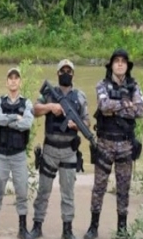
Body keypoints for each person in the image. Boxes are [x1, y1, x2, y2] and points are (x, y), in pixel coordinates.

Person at [84, 49, 143, 239]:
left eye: (123, 61)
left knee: (124, 188)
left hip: (126, 145)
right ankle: (93, 227)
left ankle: (122, 228)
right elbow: (103, 106)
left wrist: (116, 107)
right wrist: (126, 105)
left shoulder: (134, 86)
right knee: (99, 187)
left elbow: (141, 109)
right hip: (105, 144)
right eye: (116, 61)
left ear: (127, 66)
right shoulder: (102, 84)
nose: (120, 64)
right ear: (111, 65)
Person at [29, 59, 90, 239]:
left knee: (68, 193)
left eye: (69, 71)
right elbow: (34, 110)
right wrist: (50, 107)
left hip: (69, 152)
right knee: (43, 191)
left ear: (73, 74)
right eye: (62, 70)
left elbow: (86, 122)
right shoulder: (50, 94)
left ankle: (67, 229)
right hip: (49, 151)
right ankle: (37, 226)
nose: (66, 73)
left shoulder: (80, 96)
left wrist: (76, 125)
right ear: (57, 73)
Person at [0, 67, 34, 239]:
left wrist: (9, 120)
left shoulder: (27, 103)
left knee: (21, 191)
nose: (13, 81)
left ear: (20, 82)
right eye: (10, 78)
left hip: (19, 155)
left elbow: (27, 124)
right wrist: (16, 118)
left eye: (16, 78)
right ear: (6, 82)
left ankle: (22, 229)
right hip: (2, 154)